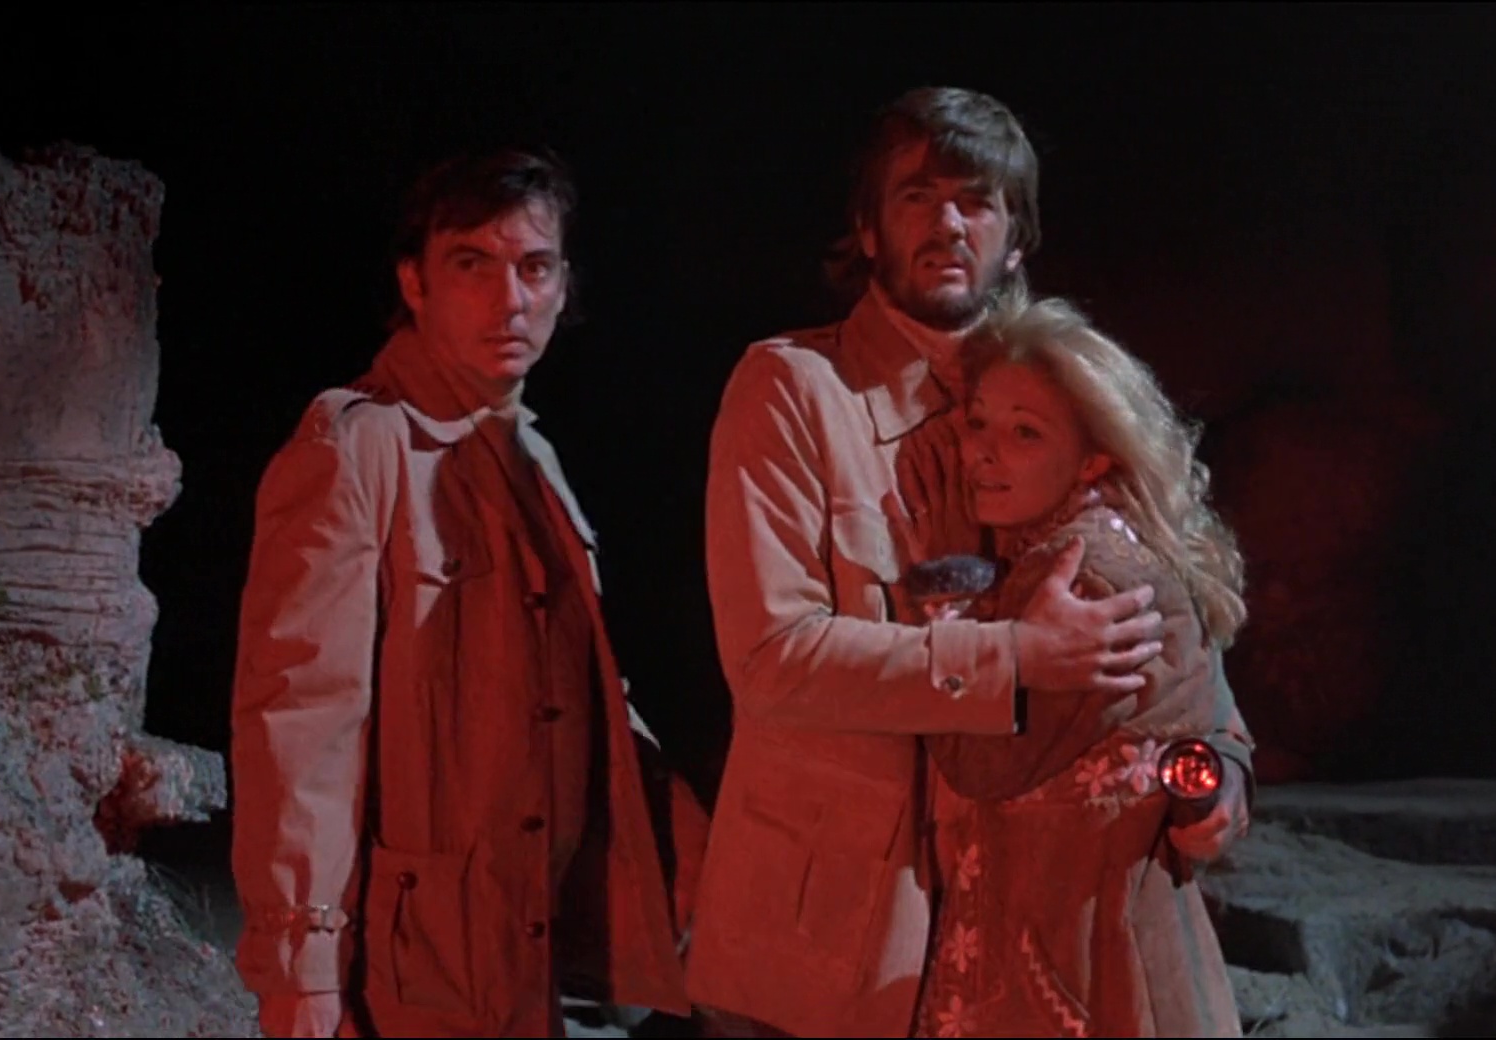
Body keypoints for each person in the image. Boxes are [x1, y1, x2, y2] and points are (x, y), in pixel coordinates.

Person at [688, 87, 1169, 1038]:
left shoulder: (1065, 399)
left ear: (1016, 241)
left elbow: (1169, 600)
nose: (949, 224)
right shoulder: (791, 390)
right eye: (917, 197)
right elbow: (771, 660)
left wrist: (1219, 771)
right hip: (827, 951)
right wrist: (1017, 657)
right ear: (868, 231)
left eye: (977, 201)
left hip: (1012, 940)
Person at [228, 149, 701, 1039]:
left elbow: (584, 696)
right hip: (422, 964)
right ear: (415, 281)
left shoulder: (530, 455)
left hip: (541, 948)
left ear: (564, 286)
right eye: (473, 265)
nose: (509, 299)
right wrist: (301, 967)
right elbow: (300, 723)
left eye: (535, 267)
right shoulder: (358, 447)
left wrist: (696, 858)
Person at [913, 292, 1255, 1038]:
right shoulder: (1125, 543)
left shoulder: (1080, 573)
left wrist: (948, 602)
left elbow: (979, 765)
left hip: (1070, 948)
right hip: (1108, 930)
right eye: (978, 423)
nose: (981, 453)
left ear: (1095, 454)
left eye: (1025, 433)